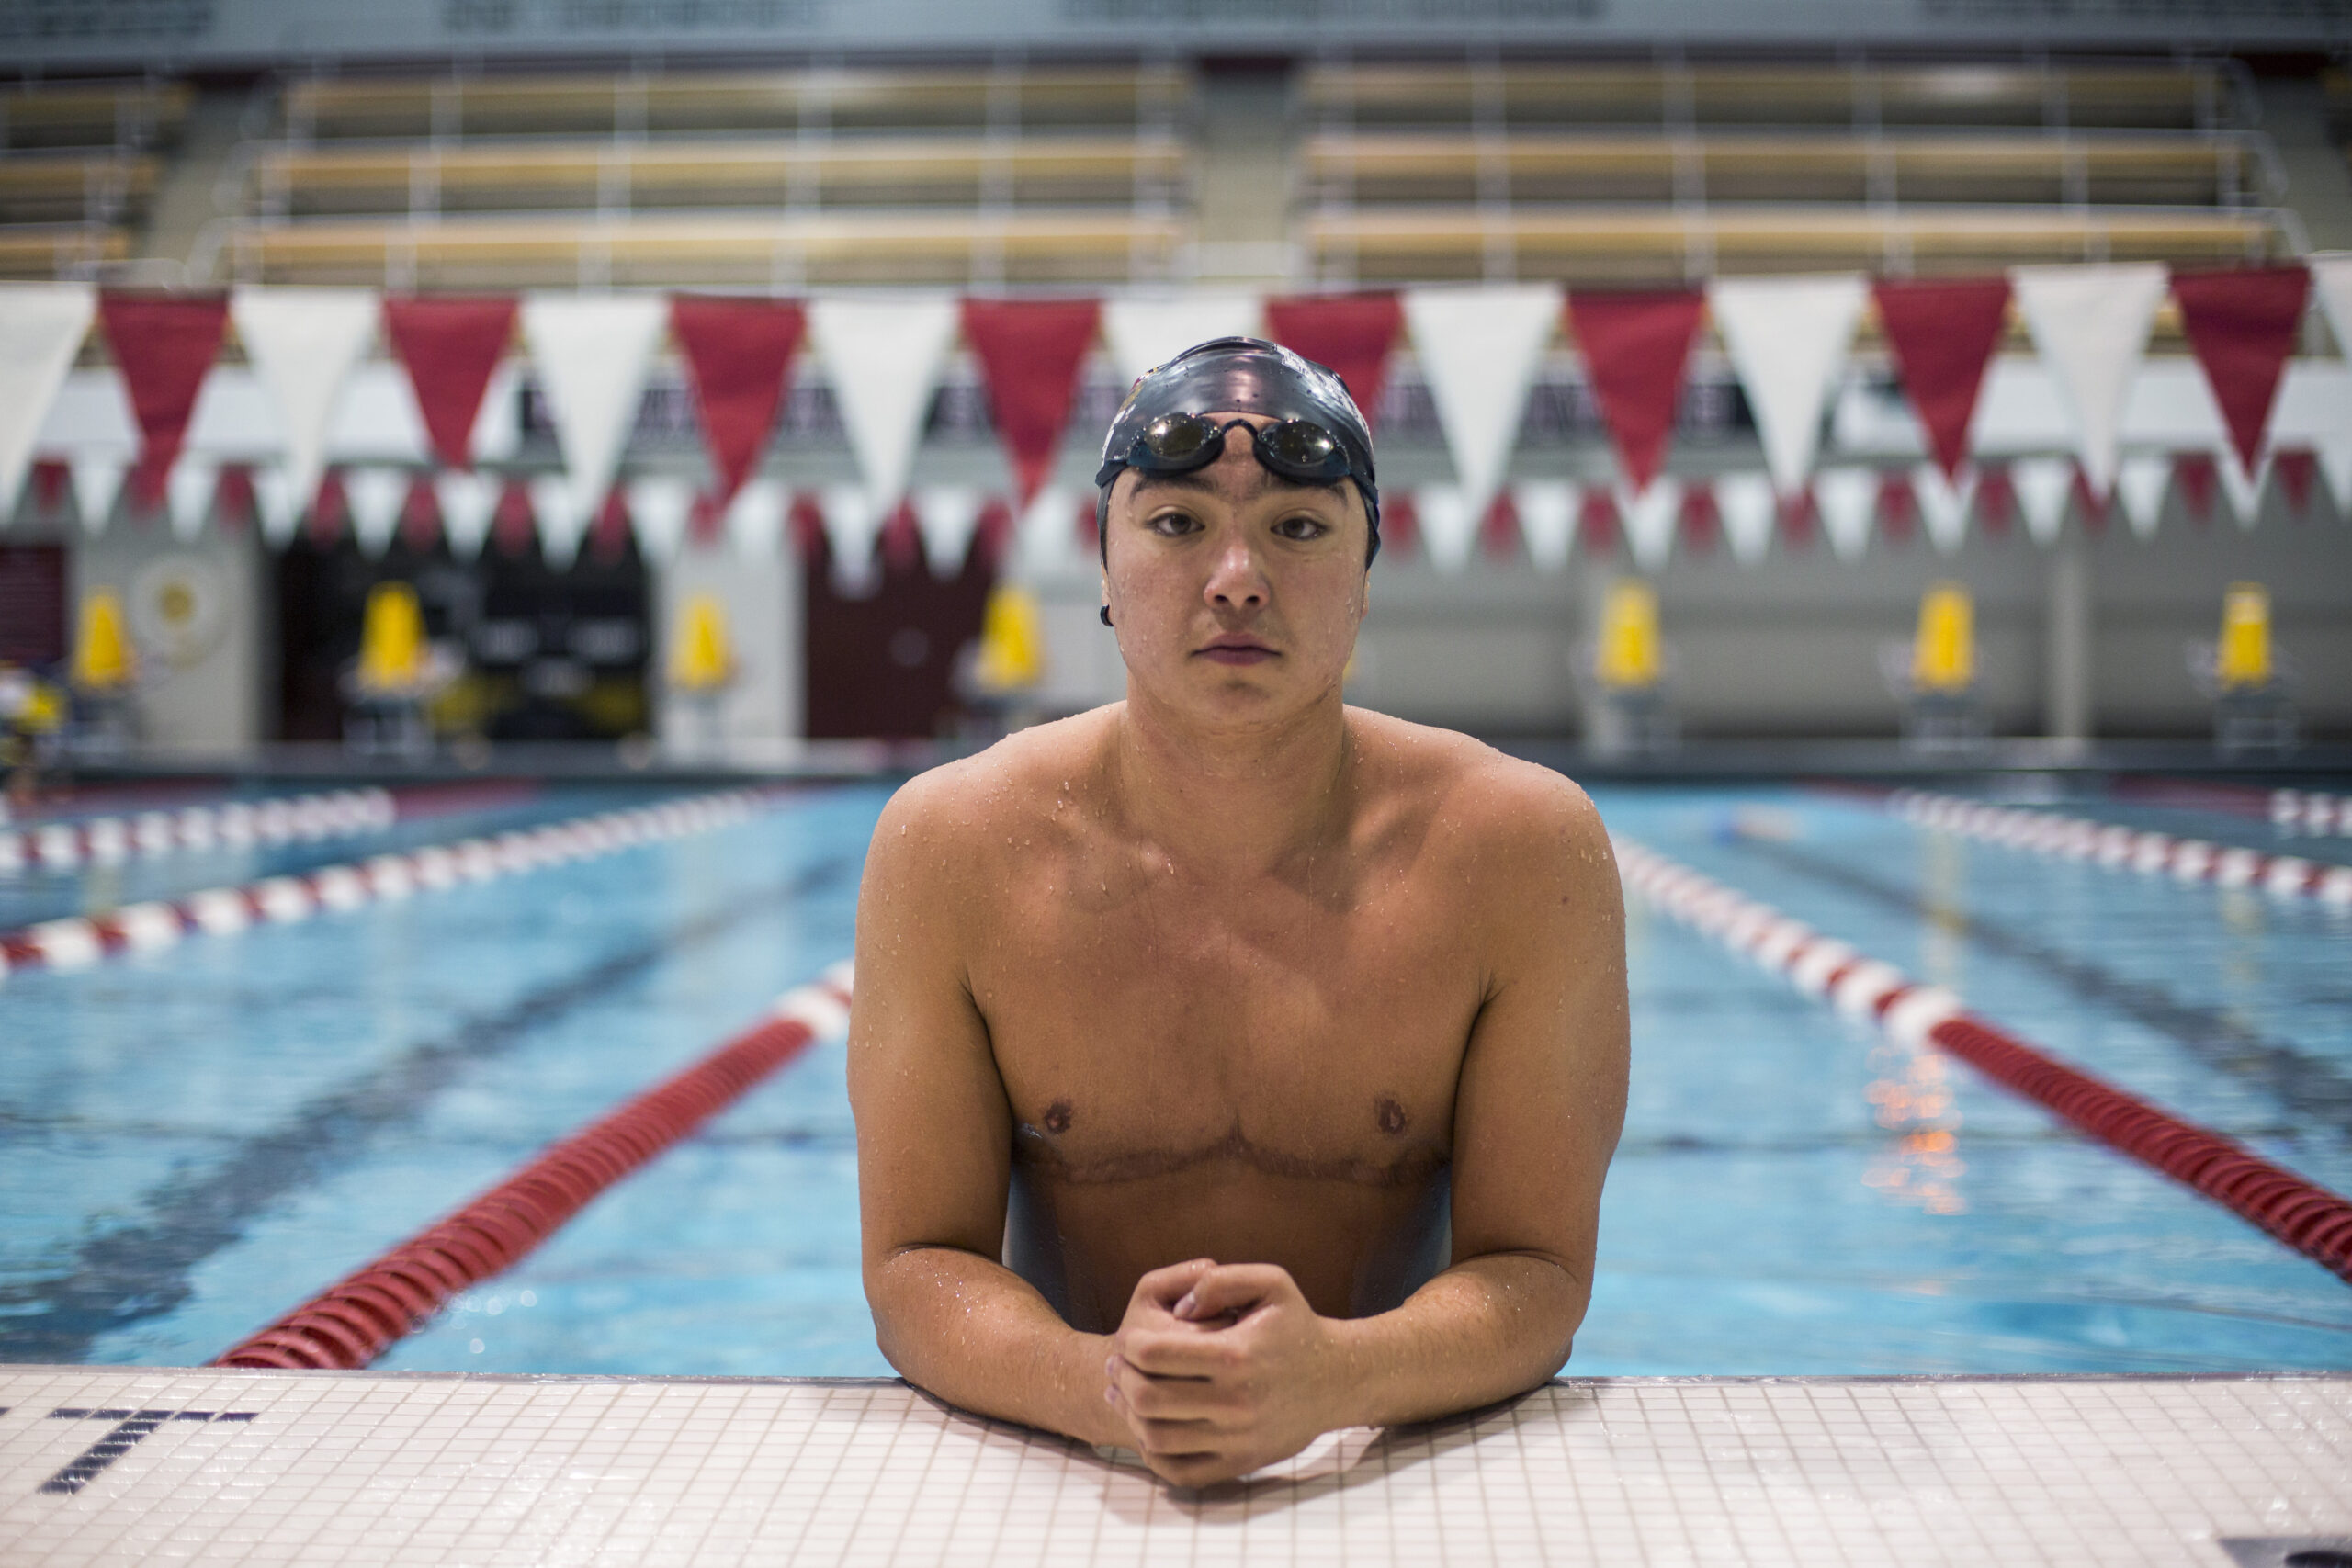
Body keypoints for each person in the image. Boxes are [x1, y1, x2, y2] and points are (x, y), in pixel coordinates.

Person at [848, 338, 1628, 1488]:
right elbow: (918, 1264)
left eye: (1298, 528)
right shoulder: (952, 847)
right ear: (1104, 564)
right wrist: (1105, 1382)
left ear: (1367, 573)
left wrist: (1343, 1376)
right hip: (1078, 1474)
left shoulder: (1521, 853)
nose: (1236, 577)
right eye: (1175, 525)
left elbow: (1539, 1272)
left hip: (1390, 1469)